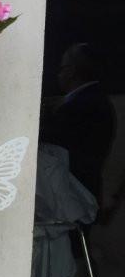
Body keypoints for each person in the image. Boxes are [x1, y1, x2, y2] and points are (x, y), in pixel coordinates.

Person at [40, 43, 117, 205]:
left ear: (71, 71)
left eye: (62, 68)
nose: (58, 74)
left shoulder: (81, 105)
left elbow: (49, 140)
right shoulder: (95, 100)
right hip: (82, 195)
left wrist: (41, 113)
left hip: (71, 199)